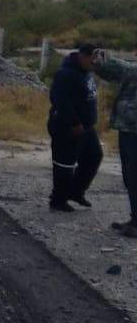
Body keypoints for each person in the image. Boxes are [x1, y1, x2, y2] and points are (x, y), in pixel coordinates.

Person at [48, 43, 102, 213]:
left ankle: (76, 192)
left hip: (86, 127)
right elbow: (60, 101)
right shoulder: (66, 74)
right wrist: (74, 122)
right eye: (93, 60)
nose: (95, 64)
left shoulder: (85, 72)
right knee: (65, 164)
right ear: (83, 56)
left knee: (93, 157)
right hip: (67, 126)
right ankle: (58, 200)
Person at [92, 48, 137, 235]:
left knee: (133, 174)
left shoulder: (133, 71)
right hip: (130, 128)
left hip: (132, 129)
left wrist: (102, 60)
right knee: (131, 175)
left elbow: (121, 69)